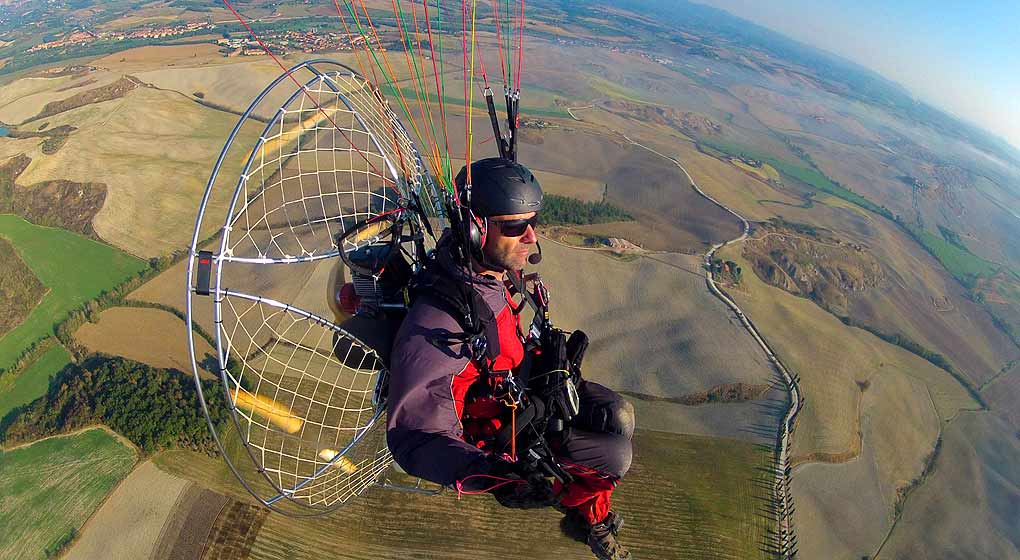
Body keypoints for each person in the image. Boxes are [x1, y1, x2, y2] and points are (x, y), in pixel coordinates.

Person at [386, 157, 636, 560]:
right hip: (500, 430)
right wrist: (499, 477)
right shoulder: (439, 326)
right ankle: (590, 522)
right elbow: (414, 438)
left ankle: (591, 511)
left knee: (618, 414)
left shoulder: (486, 271)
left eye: (533, 221)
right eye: (516, 226)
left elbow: (500, 340)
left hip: (525, 385)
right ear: (475, 228)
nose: (532, 237)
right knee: (614, 456)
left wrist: (550, 357)